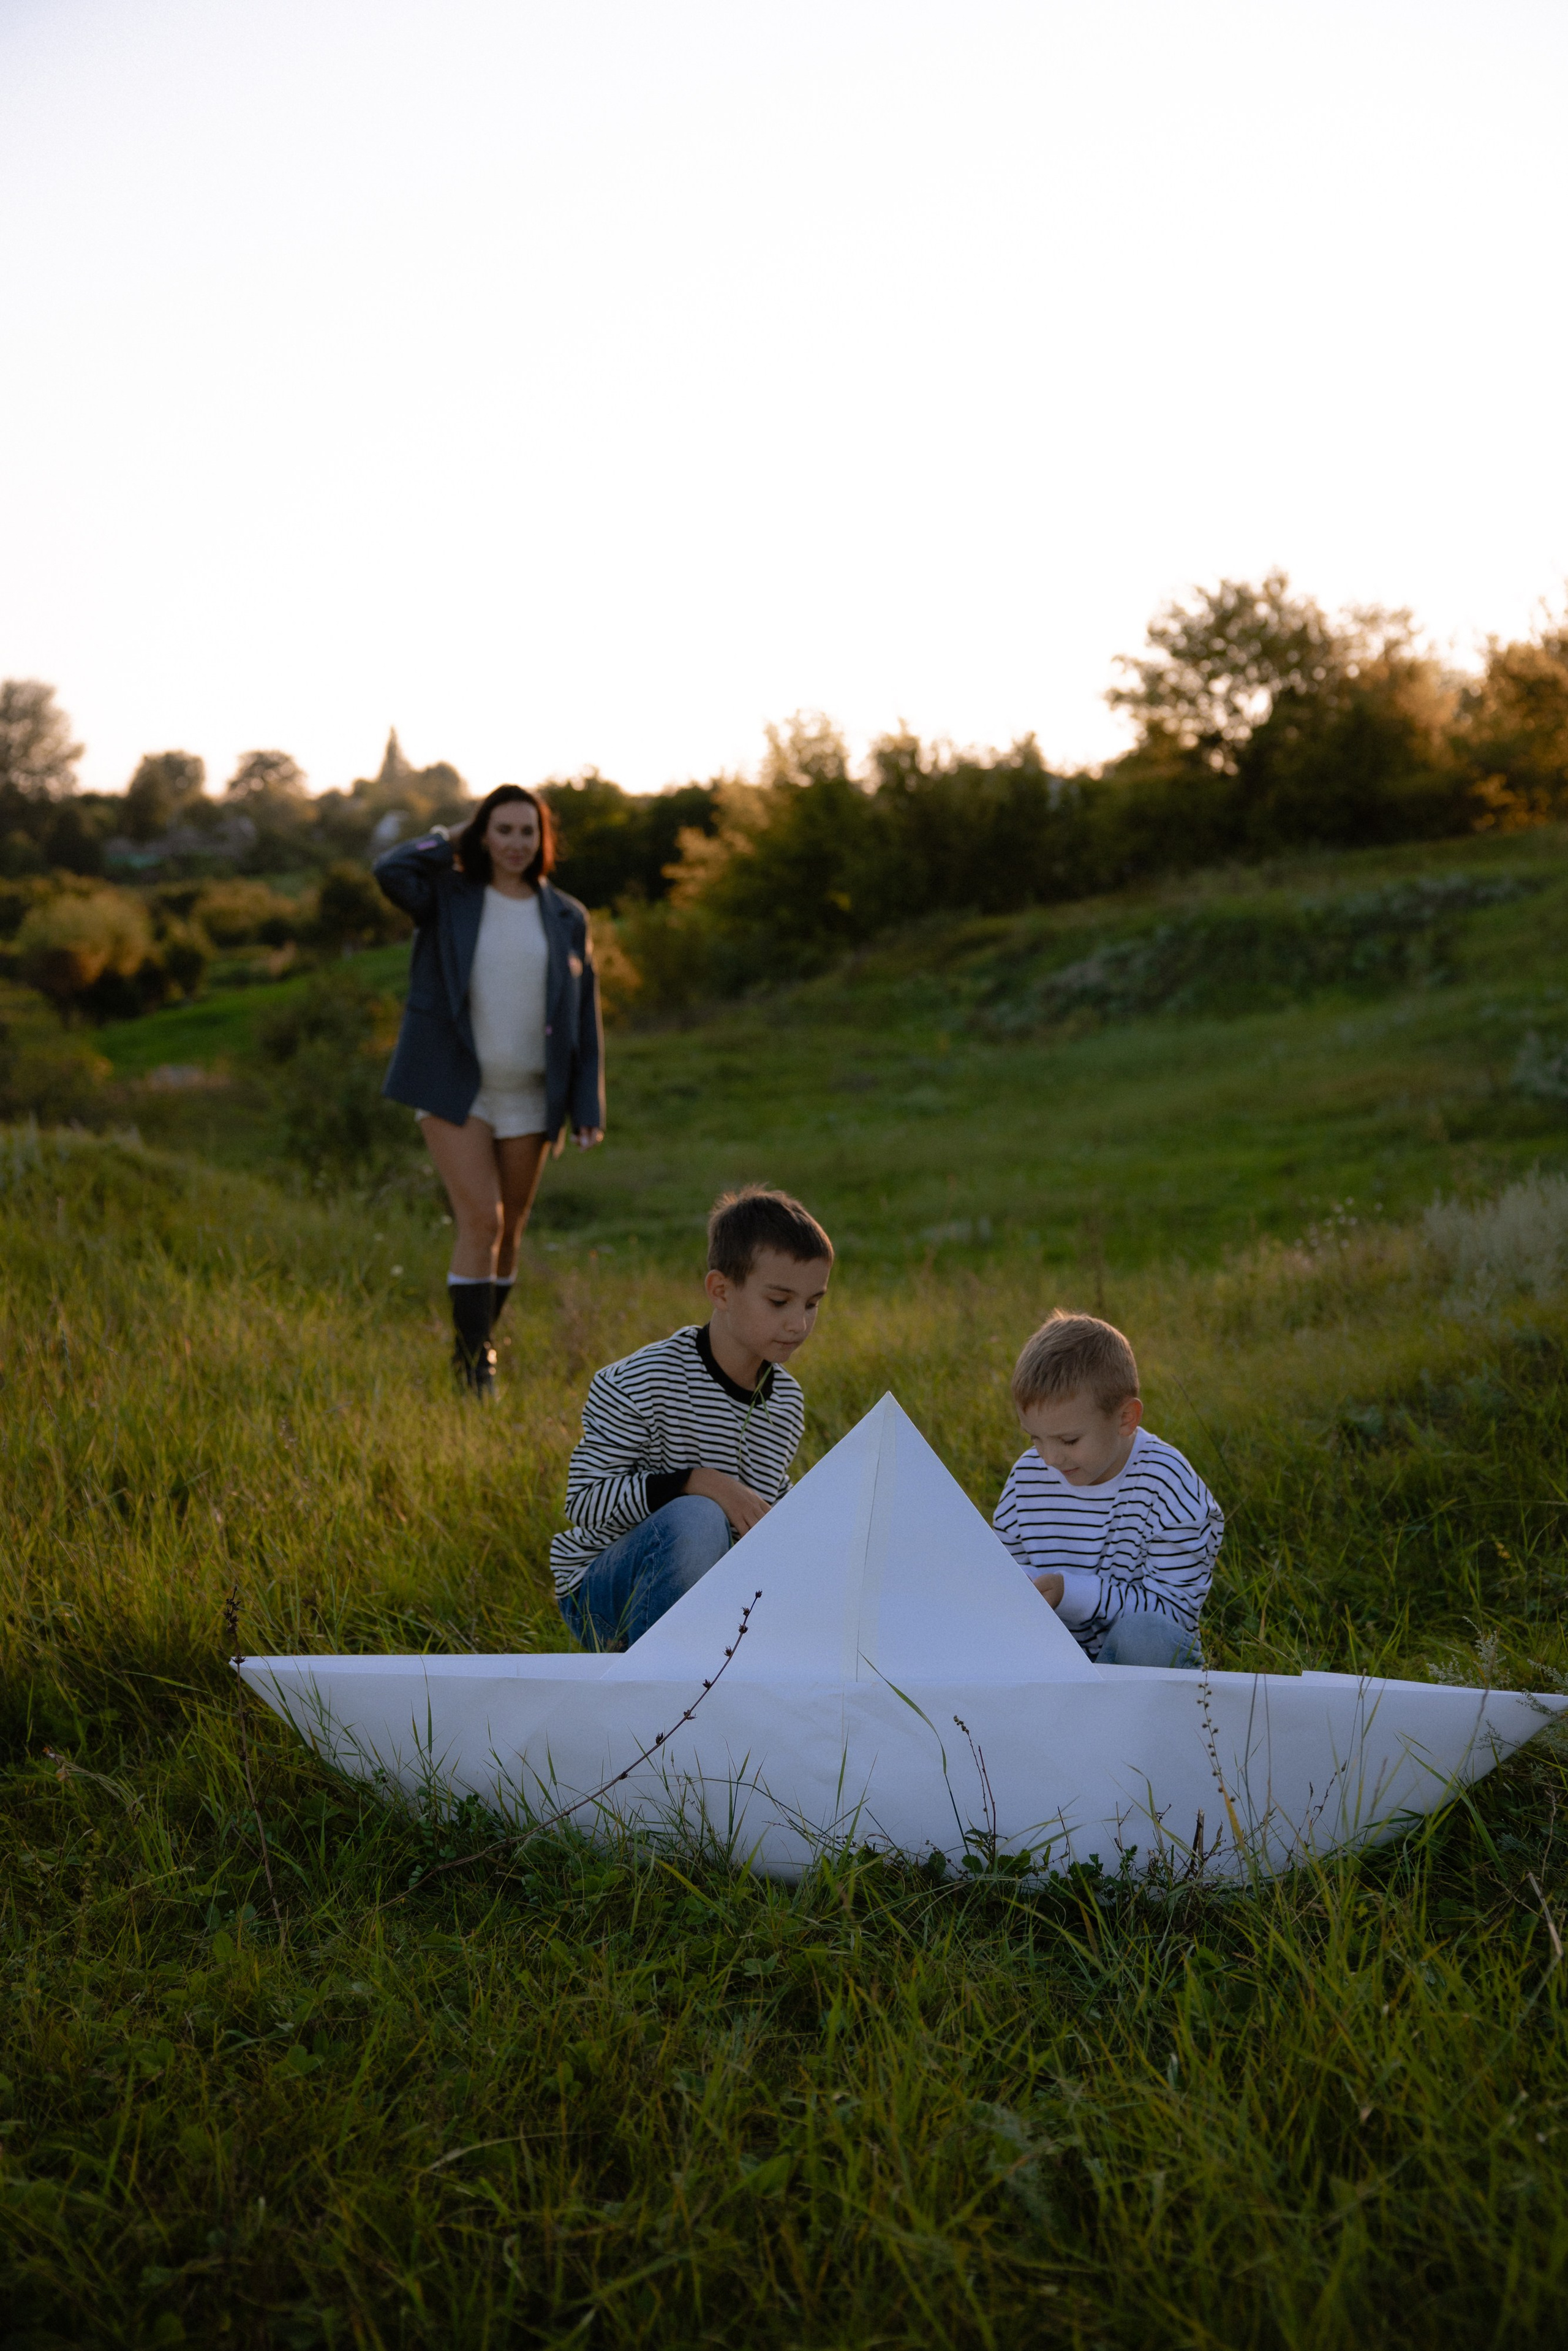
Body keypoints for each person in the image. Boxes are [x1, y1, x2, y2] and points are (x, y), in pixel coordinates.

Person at [374, 783, 605, 1397]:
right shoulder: (449, 896)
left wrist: (587, 1105)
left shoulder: (566, 916)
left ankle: (472, 1348)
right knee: (481, 1218)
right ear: (483, 835)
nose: (515, 843)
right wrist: (449, 836)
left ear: (542, 839)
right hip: (457, 1088)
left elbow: (584, 1017)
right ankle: (479, 1370)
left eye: (527, 831)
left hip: (532, 1096)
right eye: (501, 829)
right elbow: (389, 870)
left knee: (510, 1233)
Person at [552, 1187, 834, 1651]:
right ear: (721, 1291)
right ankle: (658, 1690)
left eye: (812, 1303)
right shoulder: (639, 1381)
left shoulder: (785, 1402)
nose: (799, 1324)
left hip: (716, 1598)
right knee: (699, 1517)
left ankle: (714, 1671)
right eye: (780, 1302)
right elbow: (584, 1502)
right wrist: (697, 1482)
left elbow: (763, 1506)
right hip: (605, 1597)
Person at [992, 1310, 1223, 1667]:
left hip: (1131, 1669)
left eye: (1069, 1440)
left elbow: (1171, 1618)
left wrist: (1073, 1594)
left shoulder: (1170, 1489)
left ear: (1125, 1419)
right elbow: (1001, 1569)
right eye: (1035, 1438)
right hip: (1047, 1663)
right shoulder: (1027, 1477)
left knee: (1147, 1637)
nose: (1050, 1458)